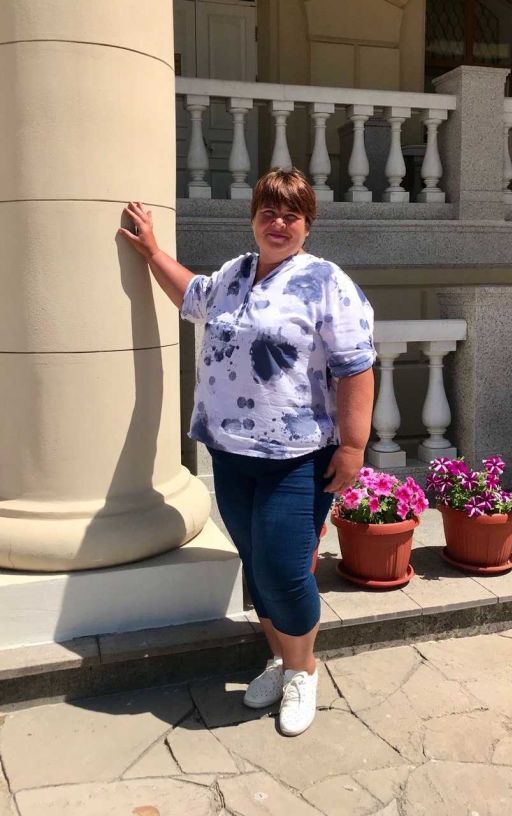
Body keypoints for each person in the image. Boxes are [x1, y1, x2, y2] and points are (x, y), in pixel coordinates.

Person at [119, 168, 375, 736]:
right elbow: (191, 295)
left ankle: (303, 671)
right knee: (257, 565)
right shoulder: (234, 274)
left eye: (291, 215)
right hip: (231, 453)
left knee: (285, 569)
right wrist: (152, 252)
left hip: (297, 458)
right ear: (254, 218)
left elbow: (356, 366)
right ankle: (280, 659)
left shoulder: (325, 282)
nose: (278, 223)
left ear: (308, 225)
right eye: (268, 212)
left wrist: (354, 446)